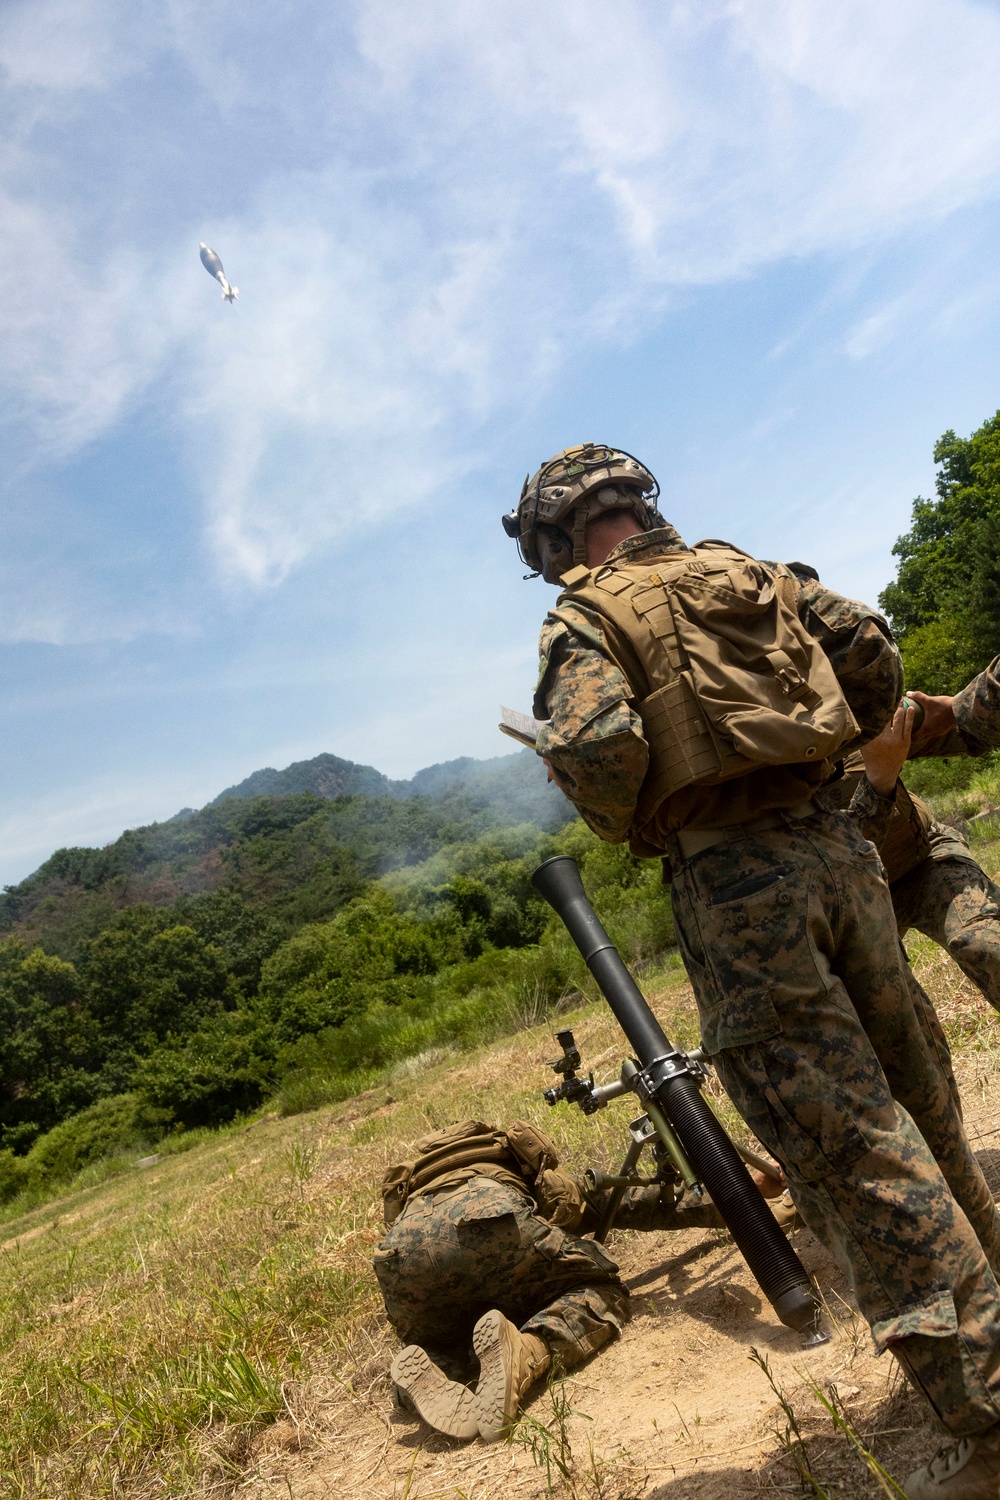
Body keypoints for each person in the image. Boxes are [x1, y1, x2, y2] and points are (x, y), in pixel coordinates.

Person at [503, 443, 1000, 1499]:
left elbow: (594, 744)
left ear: (557, 537)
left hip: (739, 893)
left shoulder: (585, 616)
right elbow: (870, 651)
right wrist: (832, 755)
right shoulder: (754, 572)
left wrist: (615, 810)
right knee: (920, 1109)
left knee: (853, 1155)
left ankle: (987, 1419)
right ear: (640, 503)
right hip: (843, 855)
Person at [373, 1118, 724, 1442]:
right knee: (604, 1290)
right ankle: (529, 1349)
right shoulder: (512, 1160)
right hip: (489, 1214)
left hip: (402, 1254)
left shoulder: (413, 1188)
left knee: (447, 1337)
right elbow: (620, 1202)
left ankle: (434, 1366)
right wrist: (732, 1201)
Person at [828, 702, 1000, 1013]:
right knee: (876, 1017)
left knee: (984, 943)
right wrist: (880, 779)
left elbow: (962, 728)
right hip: (851, 900)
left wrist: (960, 708)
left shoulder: (851, 710)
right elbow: (844, 853)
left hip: (925, 860)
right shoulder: (761, 774)